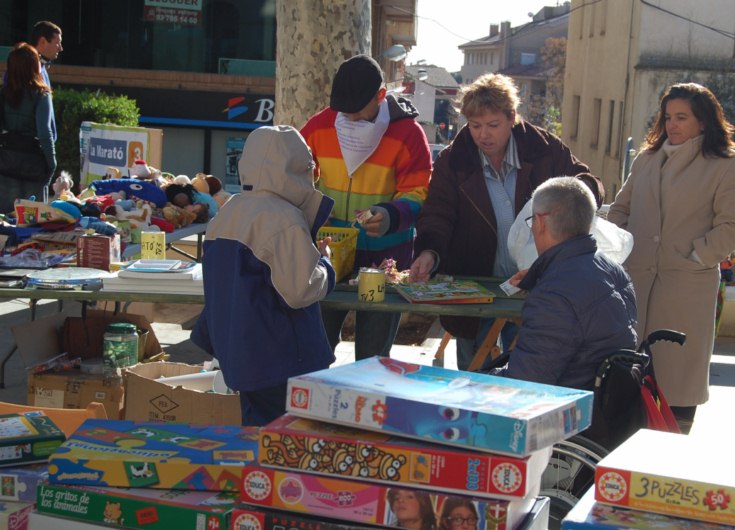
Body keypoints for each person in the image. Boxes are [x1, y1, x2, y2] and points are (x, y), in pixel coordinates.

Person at [409, 73, 604, 371]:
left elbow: (586, 183)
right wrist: (428, 252)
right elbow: (437, 213)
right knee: (472, 376)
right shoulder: (454, 160)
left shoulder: (544, 150)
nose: (483, 135)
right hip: (474, 283)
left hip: (538, 283)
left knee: (527, 374)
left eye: (493, 125)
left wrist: (579, 197)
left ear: (512, 118)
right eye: (475, 126)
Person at [607, 82, 735, 433]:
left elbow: (732, 227)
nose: (672, 124)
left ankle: (671, 458)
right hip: (637, 281)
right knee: (626, 380)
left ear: (703, 121)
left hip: (686, 288)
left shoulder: (728, 165)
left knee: (677, 381)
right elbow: (619, 210)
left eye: (682, 117)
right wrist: (627, 249)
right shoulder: (646, 159)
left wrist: (694, 255)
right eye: (668, 116)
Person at [190, 125, 336, 426]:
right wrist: (325, 264)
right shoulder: (285, 217)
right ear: (302, 169)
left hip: (242, 356)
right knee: (291, 444)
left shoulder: (229, 212)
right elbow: (300, 290)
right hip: (282, 359)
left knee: (258, 440)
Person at [301, 54, 431, 361]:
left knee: (373, 358)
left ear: (380, 96)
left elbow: (419, 191)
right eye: (343, 111)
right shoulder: (319, 127)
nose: (350, 117)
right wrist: (316, 209)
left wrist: (390, 215)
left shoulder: (409, 134)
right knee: (313, 349)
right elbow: (298, 180)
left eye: (357, 110)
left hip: (384, 261)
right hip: (328, 254)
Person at [500, 176, 637, 390]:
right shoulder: (613, 269)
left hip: (568, 412)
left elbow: (524, 384)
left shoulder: (554, 295)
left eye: (532, 222)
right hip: (607, 404)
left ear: (541, 222)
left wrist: (478, 380)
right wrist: (539, 274)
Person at [0, 42, 57, 214]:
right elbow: (45, 132)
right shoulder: (41, 94)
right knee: (33, 223)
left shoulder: (3, 93)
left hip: (6, 161)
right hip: (33, 161)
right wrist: (52, 162)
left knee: (4, 222)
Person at [31, 21, 62, 141]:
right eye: (57, 43)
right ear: (43, 41)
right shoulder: (28, 69)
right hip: (32, 149)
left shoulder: (42, 68)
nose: (60, 48)